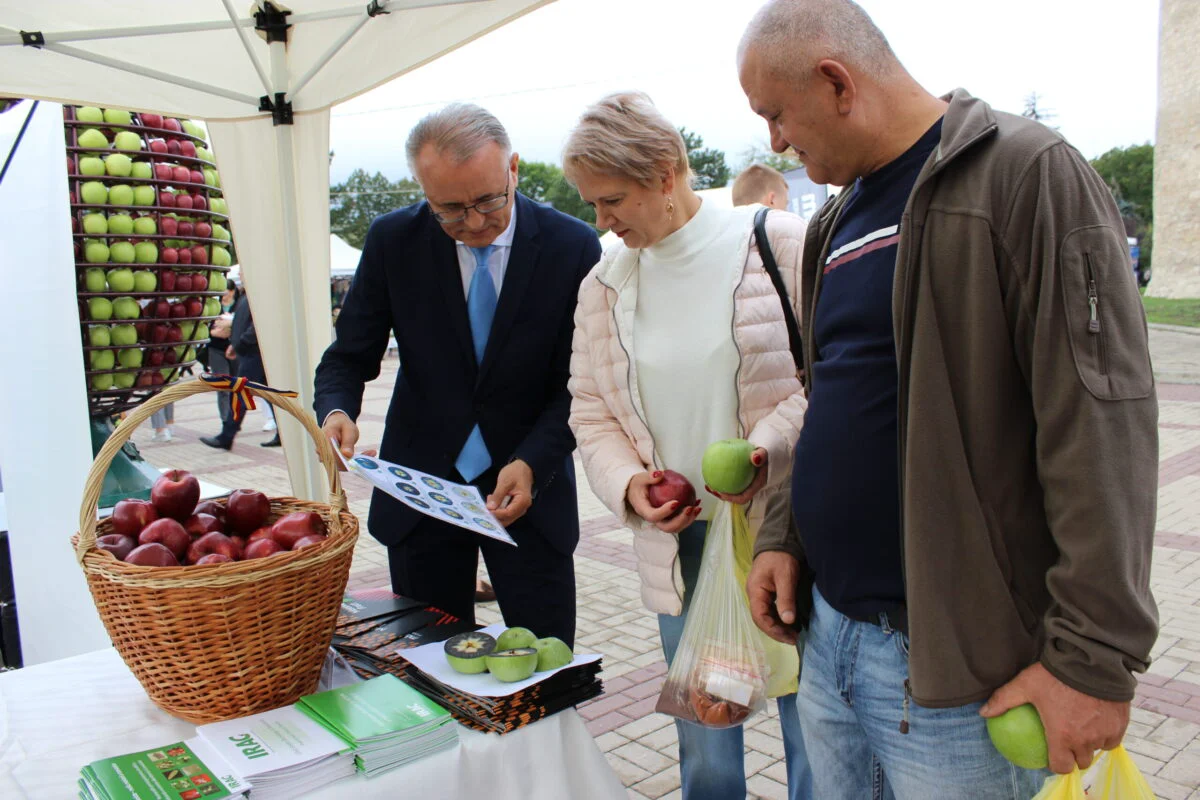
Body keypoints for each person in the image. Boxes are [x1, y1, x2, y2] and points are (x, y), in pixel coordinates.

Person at [736, 2, 1159, 798]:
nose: (775, 143)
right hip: (829, 637)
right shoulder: (834, 221)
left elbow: (1100, 426)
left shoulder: (1026, 174)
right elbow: (828, 398)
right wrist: (783, 532)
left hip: (960, 670)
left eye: (776, 115)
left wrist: (1092, 661)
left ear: (836, 83)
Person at [564, 92, 811, 800]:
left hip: (787, 533)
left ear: (667, 174)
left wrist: (766, 447)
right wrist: (628, 487)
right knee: (707, 735)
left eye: (613, 200)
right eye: (593, 204)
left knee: (814, 730)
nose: (602, 221)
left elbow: (829, 379)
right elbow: (591, 409)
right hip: (686, 546)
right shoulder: (605, 283)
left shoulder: (776, 243)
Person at [314, 104, 600, 647]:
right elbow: (349, 354)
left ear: (513, 169)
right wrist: (336, 410)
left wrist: (534, 462)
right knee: (428, 668)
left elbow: (582, 384)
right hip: (421, 493)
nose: (471, 223)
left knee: (541, 667)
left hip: (529, 494)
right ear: (421, 189)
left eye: (488, 201)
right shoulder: (393, 242)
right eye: (448, 209)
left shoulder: (572, 246)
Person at [199, 290, 280, 449]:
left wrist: (241, 343)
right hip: (249, 351)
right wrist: (235, 344)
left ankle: (226, 436)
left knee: (240, 393)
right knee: (270, 395)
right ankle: (284, 433)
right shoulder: (249, 293)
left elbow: (257, 325)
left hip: (253, 352)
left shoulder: (257, 294)